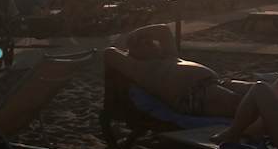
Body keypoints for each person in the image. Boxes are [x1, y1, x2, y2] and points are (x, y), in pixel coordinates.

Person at [104, 24, 259, 117]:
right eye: (143, 43)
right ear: (134, 54)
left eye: (150, 41)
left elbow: (163, 30)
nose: (150, 42)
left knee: (257, 89)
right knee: (237, 102)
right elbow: (109, 53)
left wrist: (137, 33)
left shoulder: (168, 56)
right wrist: (130, 44)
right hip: (193, 95)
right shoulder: (140, 70)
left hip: (214, 83)